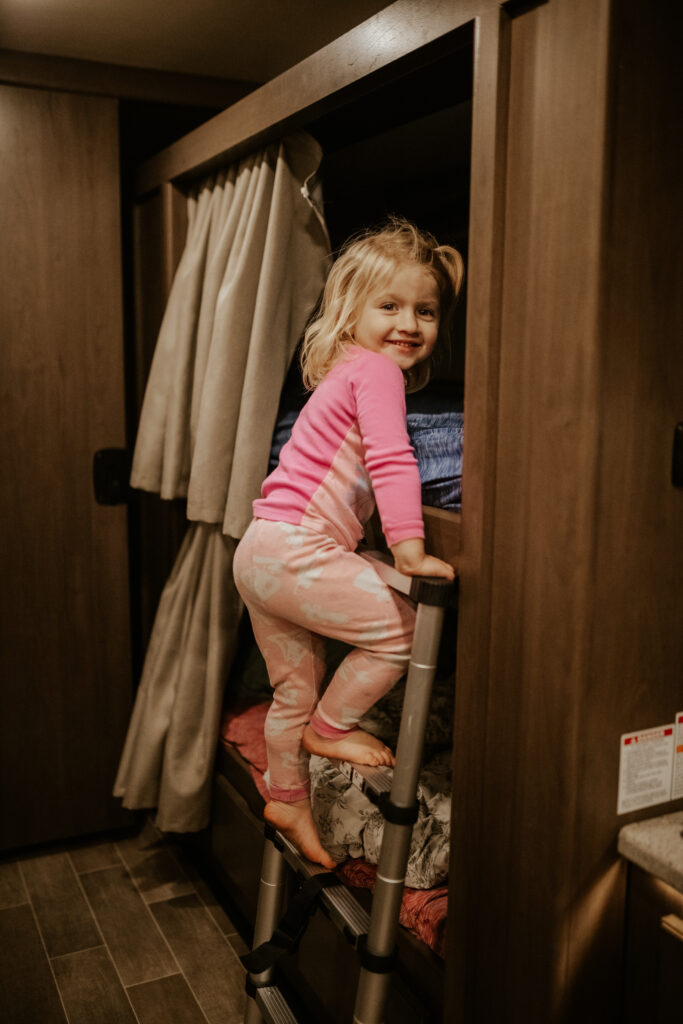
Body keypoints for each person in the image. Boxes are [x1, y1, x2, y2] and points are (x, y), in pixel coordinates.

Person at [233, 217, 464, 867]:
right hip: (293, 549)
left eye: (425, 310)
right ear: (350, 310)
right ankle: (331, 729)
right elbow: (393, 461)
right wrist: (409, 548)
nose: (409, 324)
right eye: (388, 305)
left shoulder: (341, 370)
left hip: (259, 552)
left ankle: (286, 797)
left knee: (291, 693)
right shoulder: (376, 373)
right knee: (403, 630)